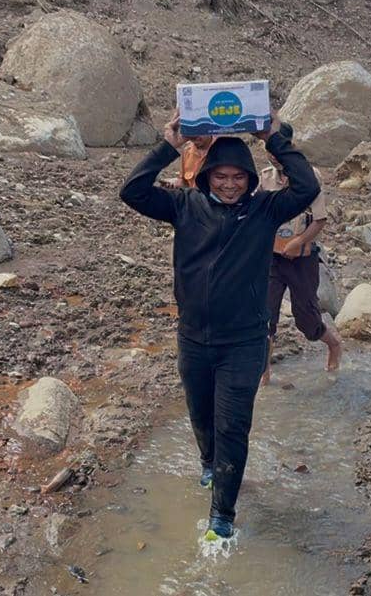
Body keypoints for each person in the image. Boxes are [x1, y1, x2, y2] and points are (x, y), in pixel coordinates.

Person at [120, 110, 319, 540]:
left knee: (233, 425)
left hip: (244, 342)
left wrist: (272, 138)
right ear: (207, 175)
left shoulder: (266, 210)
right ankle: (210, 464)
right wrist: (168, 146)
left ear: (250, 179)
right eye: (221, 177)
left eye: (238, 178)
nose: (229, 184)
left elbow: (308, 186)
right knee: (202, 418)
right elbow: (131, 191)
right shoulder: (183, 205)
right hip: (193, 338)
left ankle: (222, 518)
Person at [258, 122, 342, 384]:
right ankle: (264, 377)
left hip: (302, 260)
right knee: (264, 317)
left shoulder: (309, 175)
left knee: (306, 320)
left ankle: (334, 344)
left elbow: (320, 219)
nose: (274, 154)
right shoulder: (265, 177)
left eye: (279, 148)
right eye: (269, 149)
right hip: (271, 259)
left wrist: (299, 242)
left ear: (290, 146)